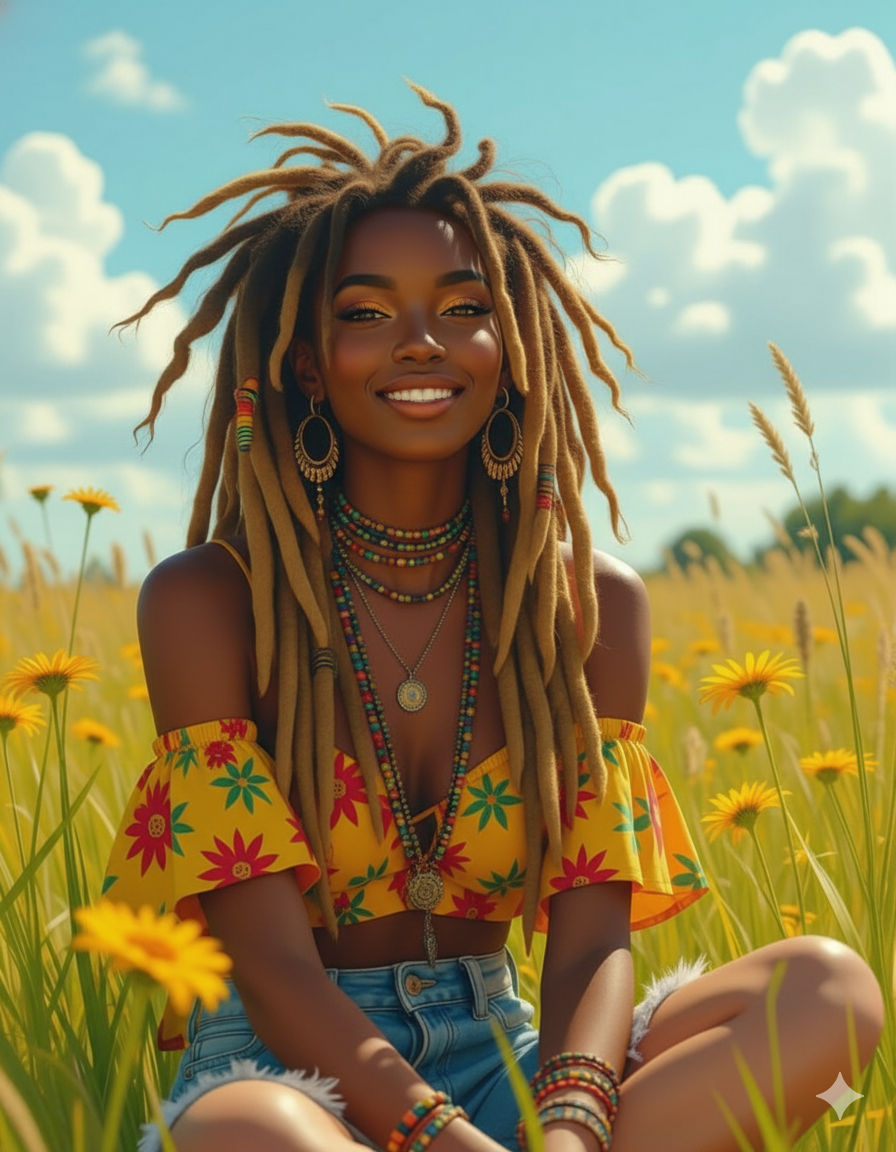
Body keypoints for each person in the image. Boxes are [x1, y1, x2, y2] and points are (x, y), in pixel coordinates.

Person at [104, 85, 883, 1152]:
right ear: (298, 360)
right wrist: (445, 1140)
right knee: (252, 1136)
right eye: (366, 313)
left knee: (828, 991)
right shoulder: (209, 602)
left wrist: (565, 1126)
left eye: (466, 308)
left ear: (513, 343)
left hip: (514, 1058)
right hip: (289, 1074)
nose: (422, 342)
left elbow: (587, 945)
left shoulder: (590, 602)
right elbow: (276, 968)